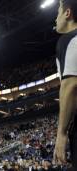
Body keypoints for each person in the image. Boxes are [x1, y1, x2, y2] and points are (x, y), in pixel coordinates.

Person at [53, 0, 77, 170]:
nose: (55, 19)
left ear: (67, 14)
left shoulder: (69, 39)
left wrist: (61, 134)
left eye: (58, 13)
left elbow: (70, 86)